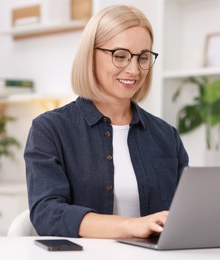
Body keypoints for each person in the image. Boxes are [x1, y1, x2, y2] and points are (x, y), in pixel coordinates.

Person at [24, 4, 189, 239]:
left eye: (143, 57)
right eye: (120, 56)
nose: (134, 69)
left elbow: (187, 212)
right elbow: (47, 214)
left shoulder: (166, 135)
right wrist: (131, 225)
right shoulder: (50, 129)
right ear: (90, 56)